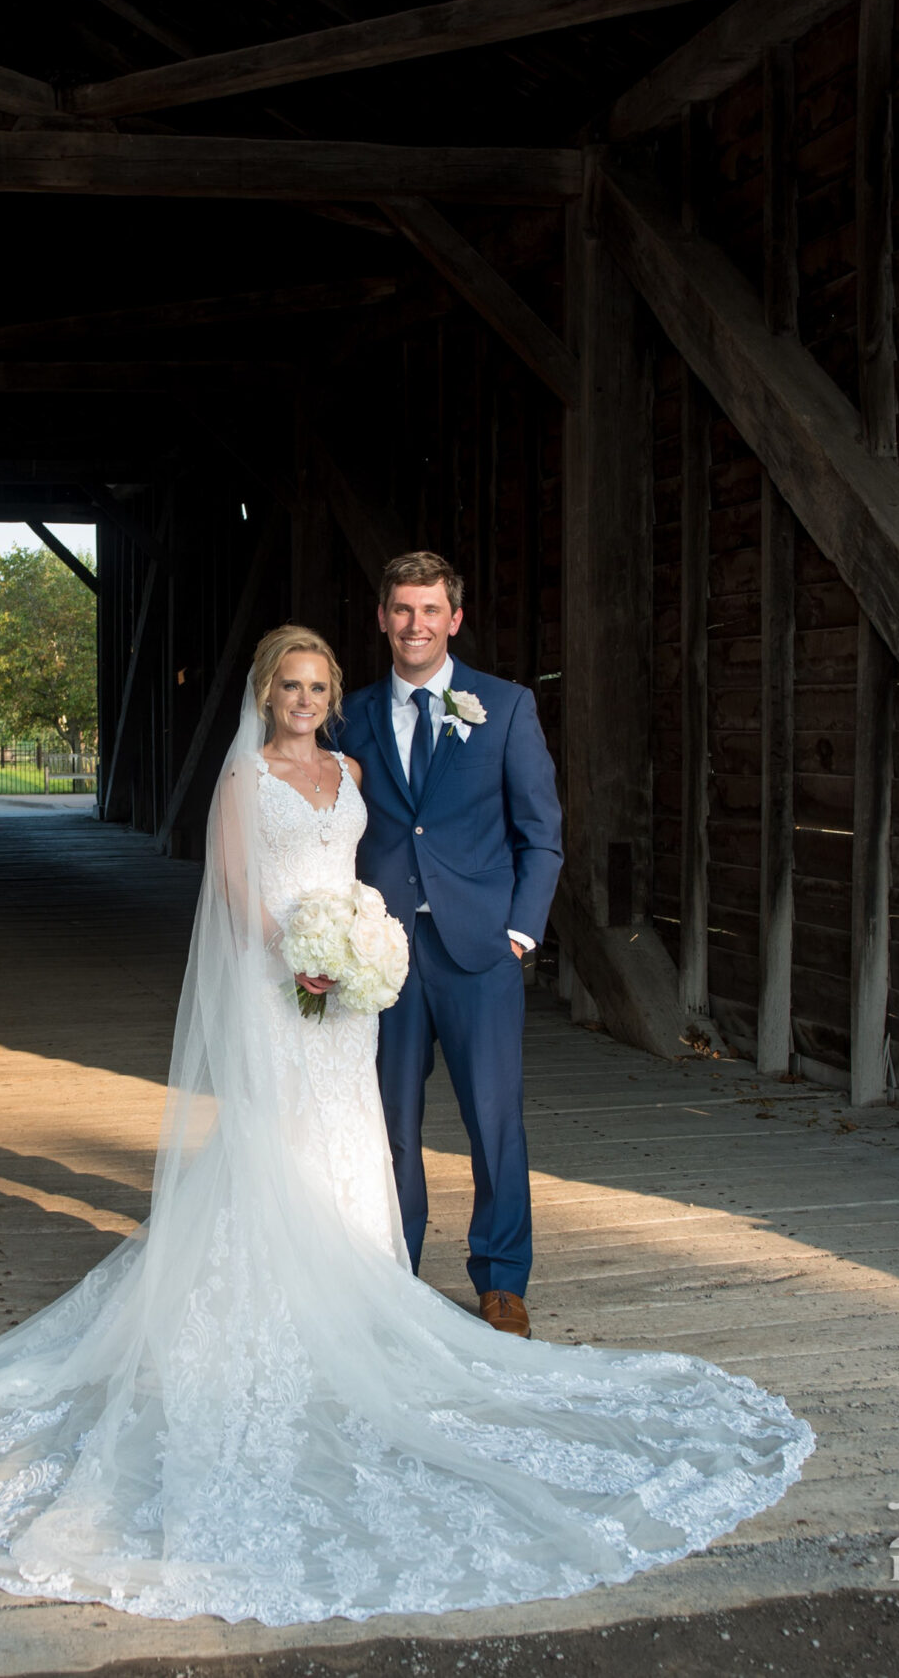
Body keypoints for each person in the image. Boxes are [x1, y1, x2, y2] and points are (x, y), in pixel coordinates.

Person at [0, 624, 811, 1627]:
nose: (302, 701)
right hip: (279, 986)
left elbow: (379, 866)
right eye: (288, 686)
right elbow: (239, 894)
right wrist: (301, 957)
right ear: (266, 695)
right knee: (273, 1144)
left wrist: (365, 946)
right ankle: (271, 1312)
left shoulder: (346, 775)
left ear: (331, 698)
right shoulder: (243, 777)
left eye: (316, 687)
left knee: (357, 1143)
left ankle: (366, 1290)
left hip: (345, 997)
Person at [337, 552, 558, 1336]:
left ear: (454, 619)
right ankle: (394, 1269)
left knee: (494, 1119)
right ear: (383, 617)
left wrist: (520, 934)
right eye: (402, 609)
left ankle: (502, 1281)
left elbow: (543, 834)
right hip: (382, 955)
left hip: (479, 952)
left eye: (430, 610)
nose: (415, 624)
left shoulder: (504, 707)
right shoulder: (349, 715)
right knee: (390, 1121)